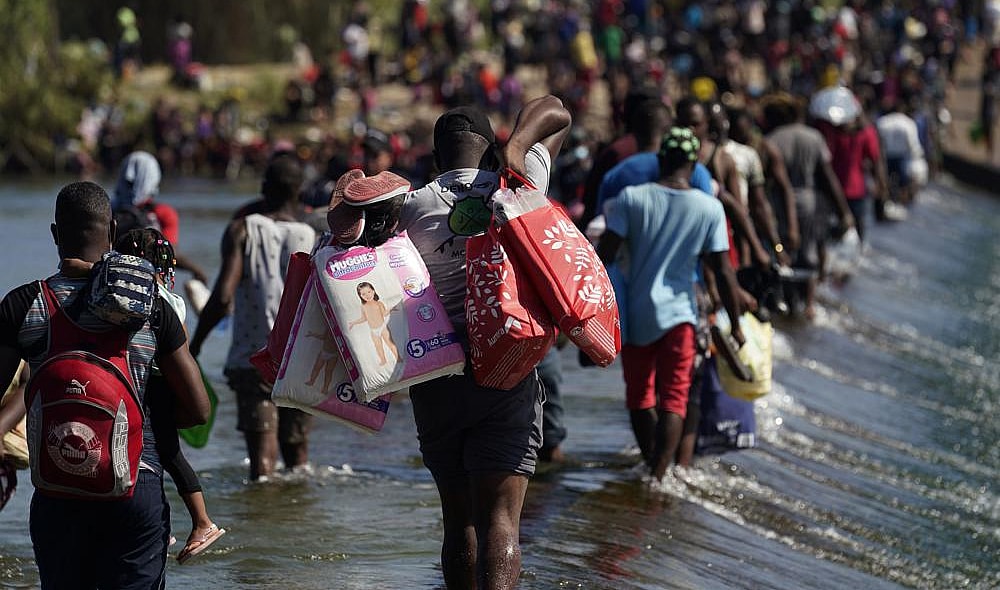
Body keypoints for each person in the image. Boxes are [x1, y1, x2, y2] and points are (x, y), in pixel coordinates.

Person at [395, 95, 571, 588]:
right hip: (507, 368)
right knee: (502, 520)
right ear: (490, 153)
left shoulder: (411, 207)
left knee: (457, 522)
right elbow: (556, 110)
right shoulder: (521, 184)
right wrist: (517, 147)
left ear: (435, 160)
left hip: (437, 376)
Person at [0, 181, 210, 589]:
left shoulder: (24, 304)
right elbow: (199, 409)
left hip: (58, 490)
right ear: (112, 232)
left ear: (55, 235)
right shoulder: (152, 305)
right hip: (135, 483)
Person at [596, 127, 745, 481]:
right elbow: (722, 271)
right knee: (675, 398)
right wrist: (736, 323)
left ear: (661, 159)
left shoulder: (631, 198)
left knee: (640, 395)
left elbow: (605, 256)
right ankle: (660, 476)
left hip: (635, 314)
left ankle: (651, 466)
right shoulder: (709, 208)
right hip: (681, 315)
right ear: (693, 165)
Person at [190, 155, 317, 482]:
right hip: (301, 361)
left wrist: (195, 346)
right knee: (299, 461)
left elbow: (221, 298)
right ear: (300, 191)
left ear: (263, 189)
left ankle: (264, 519)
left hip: (253, 361)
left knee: (262, 467)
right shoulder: (313, 235)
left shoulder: (243, 230)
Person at [115, 227, 226, 564]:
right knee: (163, 457)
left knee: (164, 455)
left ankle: (202, 523)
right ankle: (172, 527)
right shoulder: (173, 299)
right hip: (171, 383)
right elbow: (183, 347)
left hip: (153, 386)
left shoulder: (143, 298)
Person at [762, 94, 854, 318]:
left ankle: (780, 302)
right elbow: (827, 177)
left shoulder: (772, 139)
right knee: (809, 253)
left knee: (781, 252)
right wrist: (844, 211)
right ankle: (809, 306)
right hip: (810, 202)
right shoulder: (814, 137)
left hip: (779, 204)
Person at [113, 150, 209, 284]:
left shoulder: (107, 210)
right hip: (149, 290)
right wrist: (196, 270)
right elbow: (170, 254)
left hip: (110, 284)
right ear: (154, 177)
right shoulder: (162, 213)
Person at [347, 282, 399, 366]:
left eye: (369, 292)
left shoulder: (378, 303)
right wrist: (354, 322)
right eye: (363, 294)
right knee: (378, 347)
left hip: (383, 328)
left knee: (390, 343)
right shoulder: (363, 306)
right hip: (373, 330)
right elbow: (364, 318)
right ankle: (383, 360)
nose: (367, 295)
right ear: (360, 296)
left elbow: (384, 313)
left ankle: (398, 358)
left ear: (373, 291)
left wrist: (391, 309)